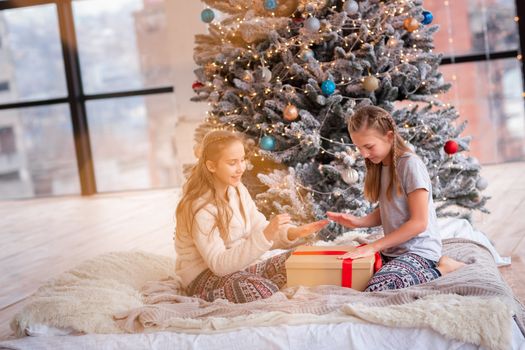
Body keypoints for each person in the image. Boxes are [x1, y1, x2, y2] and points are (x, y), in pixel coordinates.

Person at [174, 130, 329, 303]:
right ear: (211, 166)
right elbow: (218, 264)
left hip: (238, 269)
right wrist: (265, 235)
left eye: (242, 160)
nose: (241, 168)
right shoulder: (199, 208)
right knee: (260, 290)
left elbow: (259, 227)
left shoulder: (237, 189)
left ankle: (255, 283)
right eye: (232, 163)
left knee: (301, 259)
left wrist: (293, 233)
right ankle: (200, 299)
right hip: (203, 276)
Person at [327, 105, 465, 292]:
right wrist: (358, 222)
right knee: (347, 274)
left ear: (389, 136)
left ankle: (444, 268)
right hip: (393, 252)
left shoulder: (410, 164)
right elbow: (390, 209)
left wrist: (373, 247)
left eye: (368, 146)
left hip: (419, 252)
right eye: (359, 148)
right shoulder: (381, 165)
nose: (364, 154)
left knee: (379, 287)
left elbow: (419, 223)